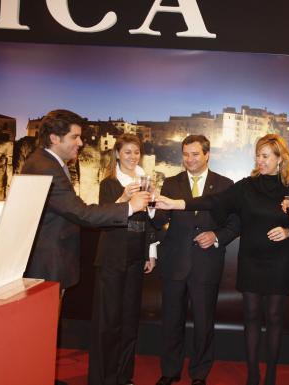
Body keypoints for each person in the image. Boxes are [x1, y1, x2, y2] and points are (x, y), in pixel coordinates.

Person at [157, 134, 289, 385]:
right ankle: (253, 376)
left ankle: (270, 376)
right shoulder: (246, 186)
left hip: (279, 262)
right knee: (252, 318)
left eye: (265, 156)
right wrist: (179, 203)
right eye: (258, 155)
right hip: (250, 261)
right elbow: (213, 201)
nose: (260, 160)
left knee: (276, 318)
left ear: (280, 159)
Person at [22, 110, 149, 292]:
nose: (80, 143)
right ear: (55, 138)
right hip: (47, 262)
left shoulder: (48, 163)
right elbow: (81, 212)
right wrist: (129, 206)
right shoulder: (45, 167)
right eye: (75, 137)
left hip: (53, 259)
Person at [153, 135, 240, 385]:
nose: (189, 159)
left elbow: (235, 223)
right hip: (174, 263)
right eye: (185, 154)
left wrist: (216, 236)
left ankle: (199, 374)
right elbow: (159, 221)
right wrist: (152, 211)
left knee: (203, 324)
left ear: (207, 155)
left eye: (195, 154)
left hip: (206, 263)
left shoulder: (225, 185)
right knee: (171, 323)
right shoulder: (170, 183)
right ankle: (169, 372)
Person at [89, 133, 158, 385]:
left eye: (136, 152)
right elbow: (104, 219)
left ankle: (124, 376)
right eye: (127, 152)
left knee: (130, 321)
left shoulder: (145, 182)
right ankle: (103, 378)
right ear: (117, 154)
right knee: (108, 323)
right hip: (111, 258)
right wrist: (124, 199)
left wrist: (151, 252)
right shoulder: (109, 183)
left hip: (137, 257)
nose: (132, 156)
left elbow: (150, 222)